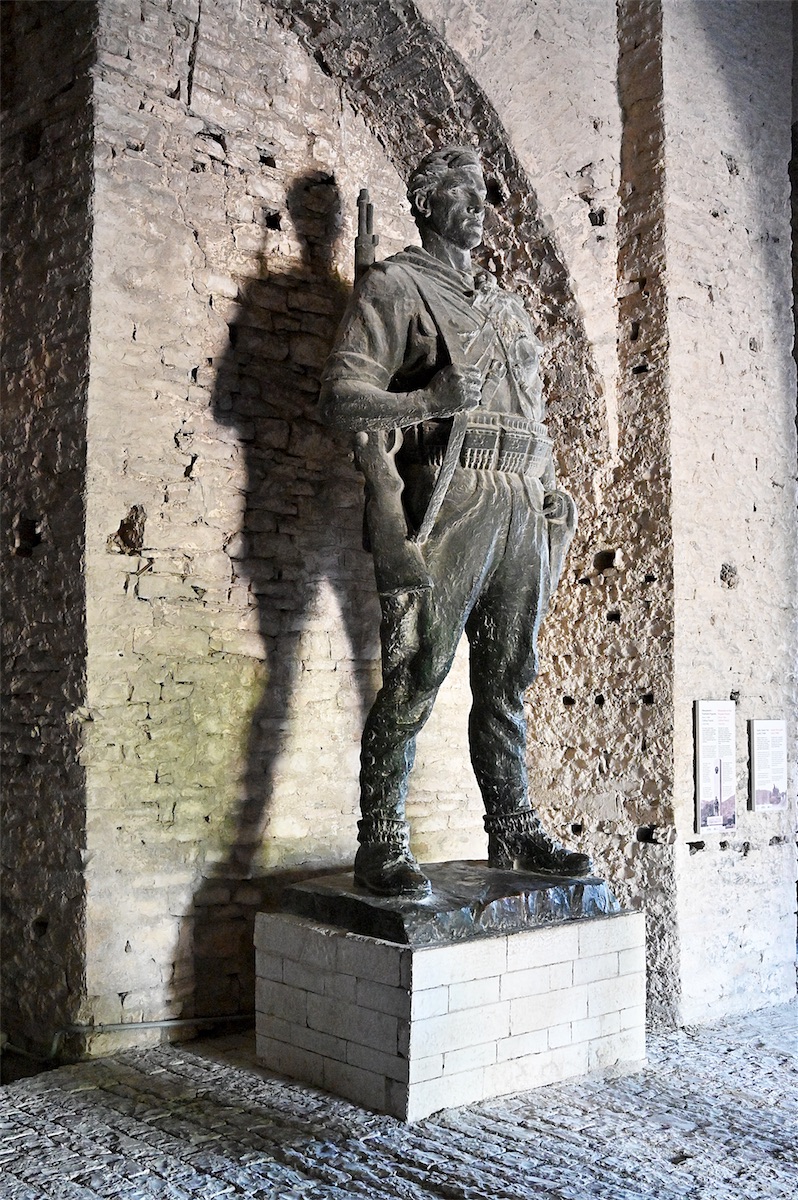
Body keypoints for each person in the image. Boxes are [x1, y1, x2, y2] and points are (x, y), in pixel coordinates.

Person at [320, 146, 591, 897]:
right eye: (462, 192)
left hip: (521, 497)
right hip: (451, 488)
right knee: (417, 670)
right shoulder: (397, 286)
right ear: (426, 202)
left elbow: (532, 409)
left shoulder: (505, 307)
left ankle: (513, 826)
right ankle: (381, 838)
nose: (478, 208)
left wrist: (548, 489)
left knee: (509, 678)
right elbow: (340, 397)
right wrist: (425, 401)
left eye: (484, 196)